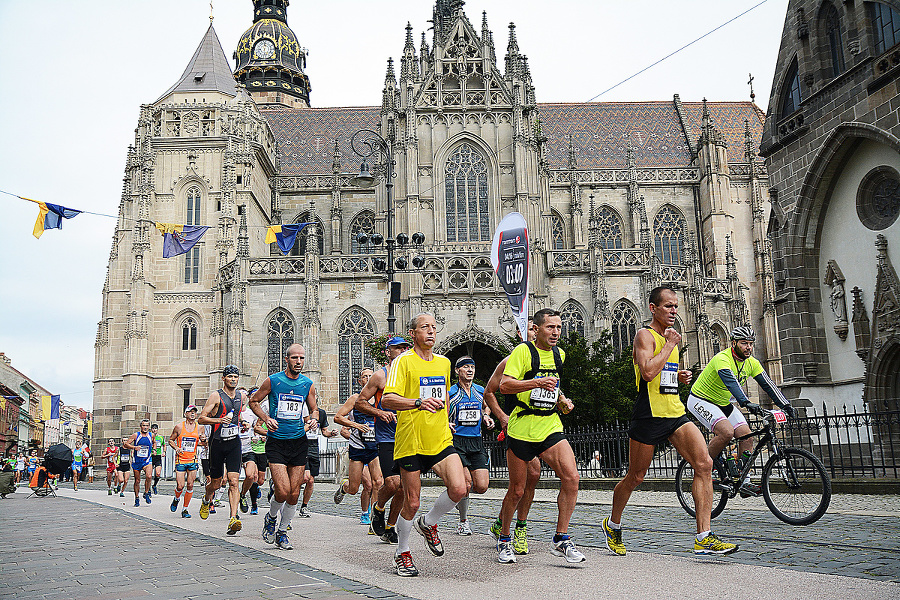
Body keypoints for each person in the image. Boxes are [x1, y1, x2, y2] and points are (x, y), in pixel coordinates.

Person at [604, 286, 737, 557]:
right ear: (653, 308)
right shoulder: (645, 335)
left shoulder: (670, 339)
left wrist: (678, 377)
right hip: (649, 414)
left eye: (676, 306)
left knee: (704, 463)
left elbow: (663, 374)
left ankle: (704, 536)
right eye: (668, 306)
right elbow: (648, 372)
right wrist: (670, 345)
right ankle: (613, 523)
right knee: (635, 477)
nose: (674, 311)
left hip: (675, 412)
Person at [382, 313, 467, 577]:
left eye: (433, 327)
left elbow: (441, 398)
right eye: (424, 328)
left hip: (440, 438)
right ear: (413, 334)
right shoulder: (402, 362)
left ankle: (429, 523)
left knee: (460, 487)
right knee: (412, 502)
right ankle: (403, 552)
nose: (430, 332)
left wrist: (447, 420)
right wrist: (417, 402)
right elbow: (387, 400)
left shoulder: (443, 363)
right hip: (411, 441)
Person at [496, 308, 584, 565]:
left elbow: (553, 387)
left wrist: (562, 401)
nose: (556, 332)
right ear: (536, 329)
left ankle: (561, 538)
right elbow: (504, 386)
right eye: (550, 327)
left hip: (550, 426)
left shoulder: (560, 355)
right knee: (517, 490)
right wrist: (536, 383)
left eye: (558, 327)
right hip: (522, 427)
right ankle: (504, 539)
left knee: (571, 478)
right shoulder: (523, 352)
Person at [687, 325, 796, 497]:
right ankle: (704, 467)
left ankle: (743, 481)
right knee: (726, 433)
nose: (749, 347)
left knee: (747, 435)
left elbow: (768, 385)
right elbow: (732, 383)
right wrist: (745, 402)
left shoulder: (752, 363)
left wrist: (785, 405)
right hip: (701, 400)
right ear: (734, 343)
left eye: (751, 343)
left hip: (722, 402)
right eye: (744, 343)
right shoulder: (722, 358)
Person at [249, 343, 318, 551]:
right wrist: (266, 418)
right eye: (295, 358)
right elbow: (253, 401)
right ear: (286, 359)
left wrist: (313, 419)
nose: (299, 362)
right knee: (282, 490)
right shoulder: (274, 380)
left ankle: (282, 532)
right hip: (277, 441)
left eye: (302, 358)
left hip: (298, 440)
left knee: (294, 493)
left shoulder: (307, 384)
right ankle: (270, 518)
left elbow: (314, 408)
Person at [484, 319, 542, 556]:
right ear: (520, 333)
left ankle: (502, 523)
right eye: (529, 329)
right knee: (525, 480)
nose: (534, 333)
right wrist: (502, 417)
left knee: (532, 476)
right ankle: (518, 528)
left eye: (536, 328)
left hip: (540, 425)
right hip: (518, 425)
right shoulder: (509, 362)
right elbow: (489, 393)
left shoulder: (546, 361)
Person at [353, 335, 411, 544]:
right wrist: (379, 413)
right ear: (388, 352)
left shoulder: (414, 374)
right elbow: (360, 403)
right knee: (393, 483)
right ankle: (378, 508)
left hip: (409, 437)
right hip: (387, 437)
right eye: (398, 348)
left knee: (405, 488)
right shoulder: (380, 376)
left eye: (405, 347)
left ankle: (390, 526)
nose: (403, 351)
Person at [447, 355, 494, 536]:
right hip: (457, 441)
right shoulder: (451, 392)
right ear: (458, 371)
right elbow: (441, 410)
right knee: (466, 484)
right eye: (465, 367)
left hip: (476, 441)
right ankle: (463, 521)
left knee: (482, 486)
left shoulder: (479, 390)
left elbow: (486, 406)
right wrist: (445, 423)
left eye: (472, 367)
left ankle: (456, 492)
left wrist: (486, 416)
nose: (470, 370)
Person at [198, 365, 247, 536]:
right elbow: (201, 419)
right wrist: (219, 419)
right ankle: (206, 499)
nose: (233, 379)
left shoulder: (241, 397)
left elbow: (238, 416)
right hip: (217, 443)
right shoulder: (216, 396)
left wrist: (244, 423)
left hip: (234, 443)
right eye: (230, 376)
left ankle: (233, 518)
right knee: (216, 483)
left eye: (236, 376)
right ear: (224, 379)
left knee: (234, 481)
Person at [333, 368, 384, 527]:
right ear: (360, 381)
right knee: (354, 488)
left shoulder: (379, 399)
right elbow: (337, 417)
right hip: (357, 447)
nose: (368, 378)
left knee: (377, 483)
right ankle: (344, 486)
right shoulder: (355, 399)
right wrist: (355, 425)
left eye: (371, 376)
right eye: (365, 377)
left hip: (374, 447)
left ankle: (374, 519)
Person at [298, 402, 336, 518]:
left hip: (314, 447)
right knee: (305, 477)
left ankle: (304, 506)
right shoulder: (300, 412)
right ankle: (288, 494)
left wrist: (331, 433)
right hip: (300, 445)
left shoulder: (322, 413)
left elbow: (324, 432)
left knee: (310, 481)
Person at [169, 404, 201, 518]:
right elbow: (171, 440)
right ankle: (176, 498)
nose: (193, 413)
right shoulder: (179, 427)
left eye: (194, 412)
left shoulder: (199, 427)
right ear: (185, 414)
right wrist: (176, 448)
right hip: (181, 460)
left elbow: (201, 442)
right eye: (190, 411)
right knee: (180, 486)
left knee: (190, 485)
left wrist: (204, 441)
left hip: (193, 459)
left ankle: (185, 509)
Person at [123, 419, 154, 507]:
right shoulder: (136, 435)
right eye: (143, 425)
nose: (145, 427)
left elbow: (154, 442)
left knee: (149, 476)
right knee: (137, 480)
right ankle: (137, 498)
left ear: (149, 427)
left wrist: (154, 449)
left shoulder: (151, 435)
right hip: (137, 461)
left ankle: (146, 492)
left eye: (147, 425)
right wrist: (134, 447)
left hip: (147, 460)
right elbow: (126, 444)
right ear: (141, 426)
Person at [237, 415, 258, 515]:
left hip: (248, 451)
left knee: (250, 476)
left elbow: (256, 430)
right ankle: (234, 511)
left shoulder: (251, 415)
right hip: (235, 452)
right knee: (232, 480)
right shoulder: (233, 420)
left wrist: (256, 437)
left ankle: (243, 494)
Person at [151, 423, 165, 495]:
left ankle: (154, 485)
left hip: (158, 456)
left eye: (155, 428)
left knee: (158, 473)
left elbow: (164, 445)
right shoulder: (149, 437)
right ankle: (148, 490)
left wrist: (164, 452)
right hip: (151, 456)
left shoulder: (161, 437)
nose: (154, 430)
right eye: (153, 428)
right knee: (149, 474)